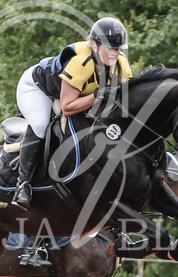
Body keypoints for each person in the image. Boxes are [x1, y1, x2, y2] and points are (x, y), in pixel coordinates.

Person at [11, 16, 133, 209]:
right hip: (37, 89)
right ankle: (23, 185)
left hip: (75, 94)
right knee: (42, 124)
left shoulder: (121, 65)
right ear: (94, 44)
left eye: (117, 49)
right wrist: (98, 96)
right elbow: (67, 107)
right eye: (110, 47)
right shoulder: (80, 62)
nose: (114, 53)